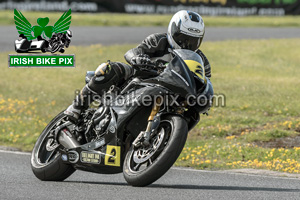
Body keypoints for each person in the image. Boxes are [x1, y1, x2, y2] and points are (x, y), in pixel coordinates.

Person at [64, 10, 211, 122]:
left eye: (193, 41)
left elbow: (205, 82)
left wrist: (204, 97)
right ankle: (76, 108)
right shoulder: (158, 40)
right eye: (182, 38)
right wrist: (138, 58)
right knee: (109, 69)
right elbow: (133, 51)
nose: (187, 44)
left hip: (173, 94)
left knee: (192, 114)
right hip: (142, 78)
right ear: (172, 31)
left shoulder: (201, 60)